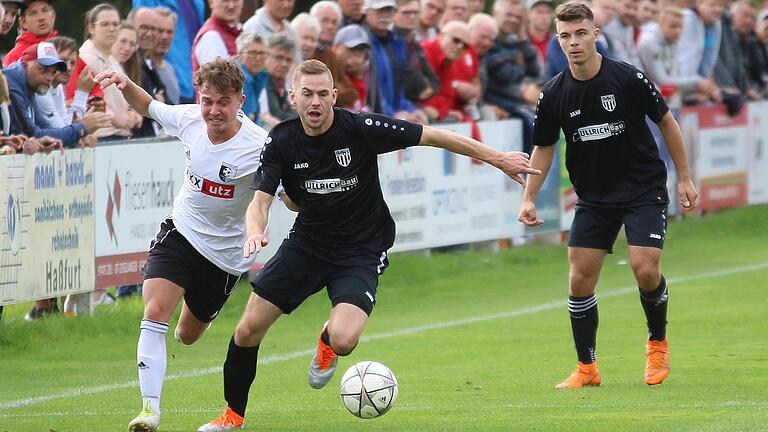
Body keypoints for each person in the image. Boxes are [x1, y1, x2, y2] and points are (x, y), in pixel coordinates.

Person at [196, 58, 540, 431]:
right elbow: (260, 200)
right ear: (292, 96)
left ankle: (327, 341)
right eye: (306, 94)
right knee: (247, 330)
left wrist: (498, 158)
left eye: (322, 95)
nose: (314, 103)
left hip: (361, 248)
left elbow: (434, 135)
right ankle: (232, 416)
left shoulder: (360, 127)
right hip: (308, 244)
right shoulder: (280, 139)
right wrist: (254, 232)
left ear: (334, 95)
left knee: (345, 340)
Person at [518, 2, 698, 389]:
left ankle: (657, 343)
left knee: (645, 268)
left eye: (580, 33)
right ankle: (587, 368)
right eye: (565, 36)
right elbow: (544, 146)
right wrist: (529, 197)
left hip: (643, 189)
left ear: (595, 34)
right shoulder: (553, 94)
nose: (573, 42)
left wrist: (684, 177)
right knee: (579, 280)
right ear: (558, 40)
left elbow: (666, 121)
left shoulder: (628, 78)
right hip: (594, 197)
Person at [93, 58, 269, 432]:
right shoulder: (189, 118)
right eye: (207, 100)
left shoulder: (259, 147)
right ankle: (149, 411)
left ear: (240, 101)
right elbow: (148, 107)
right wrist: (124, 83)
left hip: (223, 256)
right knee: (155, 309)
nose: (213, 110)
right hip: (181, 231)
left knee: (187, 335)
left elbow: (281, 193)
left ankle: (194, 318)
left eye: (223, 101)